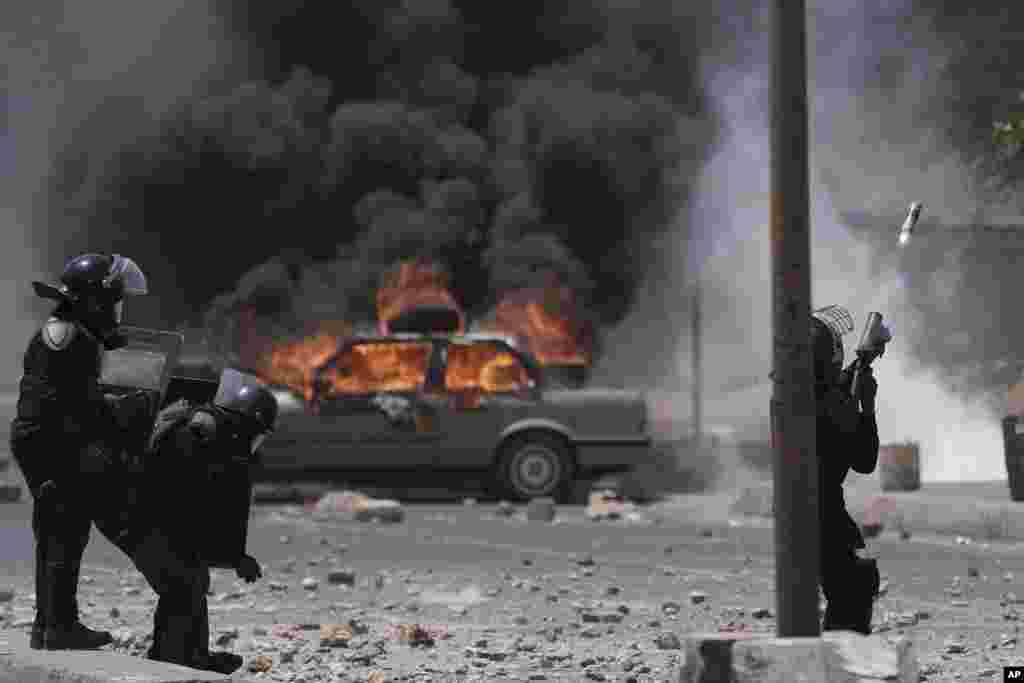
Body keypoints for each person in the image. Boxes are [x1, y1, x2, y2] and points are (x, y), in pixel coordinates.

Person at [90, 369, 277, 674]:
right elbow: (189, 510)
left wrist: (233, 556)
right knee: (181, 582)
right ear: (243, 422)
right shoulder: (195, 440)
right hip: (130, 515)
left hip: (149, 517)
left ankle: (189, 654)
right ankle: (174, 658)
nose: (254, 445)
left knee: (189, 578)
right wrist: (232, 557)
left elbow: (212, 512)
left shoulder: (211, 436)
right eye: (256, 434)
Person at [10, 253, 151, 650]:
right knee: (63, 530)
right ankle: (58, 628)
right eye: (113, 300)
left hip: (50, 439)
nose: (117, 309)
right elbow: (72, 402)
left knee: (62, 531)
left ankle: (51, 625)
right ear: (96, 301)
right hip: (51, 442)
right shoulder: (68, 336)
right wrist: (125, 407)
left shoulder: (72, 331)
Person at [810, 305, 881, 635]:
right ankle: (842, 659)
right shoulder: (835, 407)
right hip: (824, 510)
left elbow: (827, 393)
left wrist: (851, 376)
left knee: (848, 581)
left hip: (802, 507)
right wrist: (867, 407)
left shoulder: (799, 396)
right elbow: (865, 461)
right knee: (855, 584)